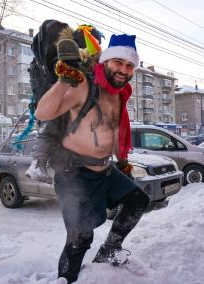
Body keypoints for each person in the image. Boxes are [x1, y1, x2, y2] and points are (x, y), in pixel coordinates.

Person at [35, 34, 150, 283]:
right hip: (73, 172)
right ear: (106, 61)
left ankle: (109, 249)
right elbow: (42, 112)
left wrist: (122, 160)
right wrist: (65, 80)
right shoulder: (84, 86)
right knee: (79, 238)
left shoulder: (120, 94)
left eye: (129, 66)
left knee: (138, 200)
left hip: (104, 169)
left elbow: (114, 129)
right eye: (118, 62)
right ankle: (66, 279)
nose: (123, 70)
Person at [25, 23, 103, 184]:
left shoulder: (69, 51)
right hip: (48, 92)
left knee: (56, 123)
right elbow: (65, 72)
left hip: (47, 90)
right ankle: (37, 164)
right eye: (94, 42)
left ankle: (42, 162)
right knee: (51, 123)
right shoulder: (67, 51)